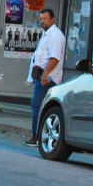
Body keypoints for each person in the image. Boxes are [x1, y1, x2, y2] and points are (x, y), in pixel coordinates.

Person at [24, 8, 64, 147]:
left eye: (45, 19)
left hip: (48, 79)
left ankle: (37, 136)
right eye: (41, 19)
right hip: (42, 77)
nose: (42, 21)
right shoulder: (47, 34)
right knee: (39, 106)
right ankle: (39, 135)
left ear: (52, 19)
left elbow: (54, 58)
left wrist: (45, 74)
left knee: (37, 105)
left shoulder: (55, 35)